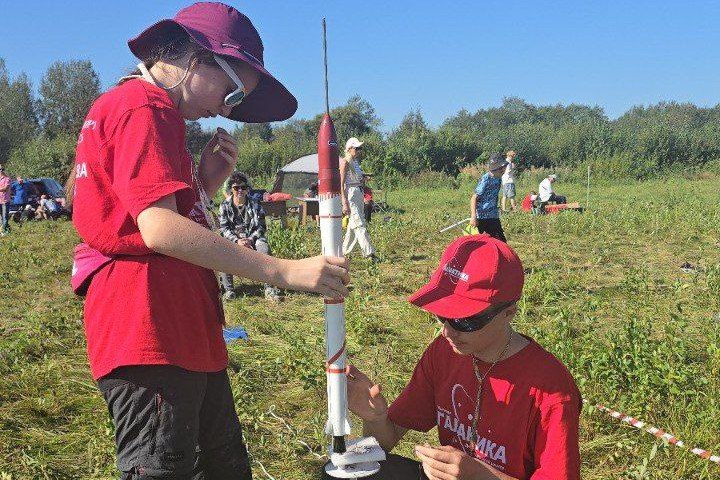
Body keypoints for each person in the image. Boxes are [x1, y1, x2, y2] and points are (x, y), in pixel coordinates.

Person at [70, 3, 349, 479]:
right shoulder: (145, 106)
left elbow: (144, 215)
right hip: (153, 326)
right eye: (232, 91)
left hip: (179, 328)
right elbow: (159, 229)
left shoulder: (142, 110)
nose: (226, 108)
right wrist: (284, 271)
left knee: (222, 466)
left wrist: (204, 185)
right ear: (198, 59)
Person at [346, 235, 581, 480]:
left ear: (508, 313)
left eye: (464, 320)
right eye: (442, 315)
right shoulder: (443, 352)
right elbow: (385, 441)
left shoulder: (551, 390)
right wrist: (375, 418)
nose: (447, 331)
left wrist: (483, 477)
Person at [219, 171, 280, 301]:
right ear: (231, 189)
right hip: (233, 240)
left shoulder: (256, 204)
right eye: (236, 188)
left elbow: (261, 227)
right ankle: (229, 290)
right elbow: (224, 229)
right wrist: (237, 241)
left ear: (247, 189)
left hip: (254, 238)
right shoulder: (224, 206)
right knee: (222, 252)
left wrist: (250, 240)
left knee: (264, 249)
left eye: (243, 187)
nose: (240, 190)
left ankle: (269, 288)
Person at [340, 137, 378, 261]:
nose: (359, 151)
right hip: (350, 194)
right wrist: (344, 202)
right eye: (357, 148)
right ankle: (370, 254)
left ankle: (344, 252)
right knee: (359, 224)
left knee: (354, 224)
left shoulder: (355, 162)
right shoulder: (345, 162)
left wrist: (364, 179)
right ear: (349, 148)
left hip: (358, 192)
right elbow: (341, 184)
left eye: (359, 148)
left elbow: (356, 178)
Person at [470, 154, 508, 242]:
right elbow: (474, 198)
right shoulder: (486, 179)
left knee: (501, 241)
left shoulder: (498, 178)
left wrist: (498, 207)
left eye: (503, 167)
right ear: (493, 169)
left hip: (493, 215)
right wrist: (473, 216)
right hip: (483, 217)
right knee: (486, 241)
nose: (503, 170)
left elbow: (494, 195)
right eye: (500, 168)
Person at [0, 165, 10, 235]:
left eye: (2, 169)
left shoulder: (7, 179)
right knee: (1, 217)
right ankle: (4, 229)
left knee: (5, 216)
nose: (1, 170)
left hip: (5, 201)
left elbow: (5, 188)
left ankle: (5, 231)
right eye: (0, 169)